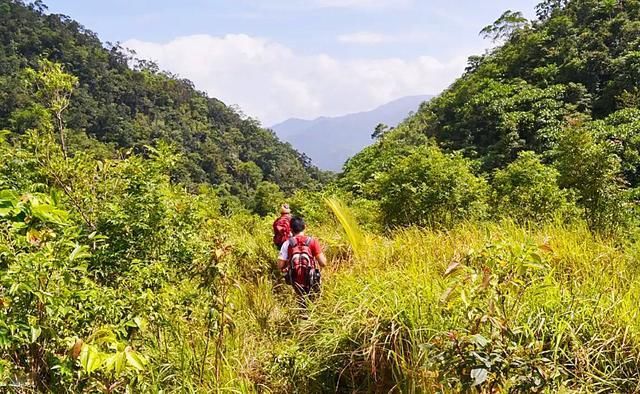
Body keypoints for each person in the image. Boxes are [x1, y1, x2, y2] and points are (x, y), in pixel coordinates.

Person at [278, 216, 327, 307]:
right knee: (313, 302)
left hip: (295, 278)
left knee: (301, 301)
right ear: (305, 226)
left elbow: (280, 265)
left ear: (291, 229)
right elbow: (323, 263)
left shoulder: (287, 243)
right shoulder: (312, 241)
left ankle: (302, 315)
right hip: (311, 278)